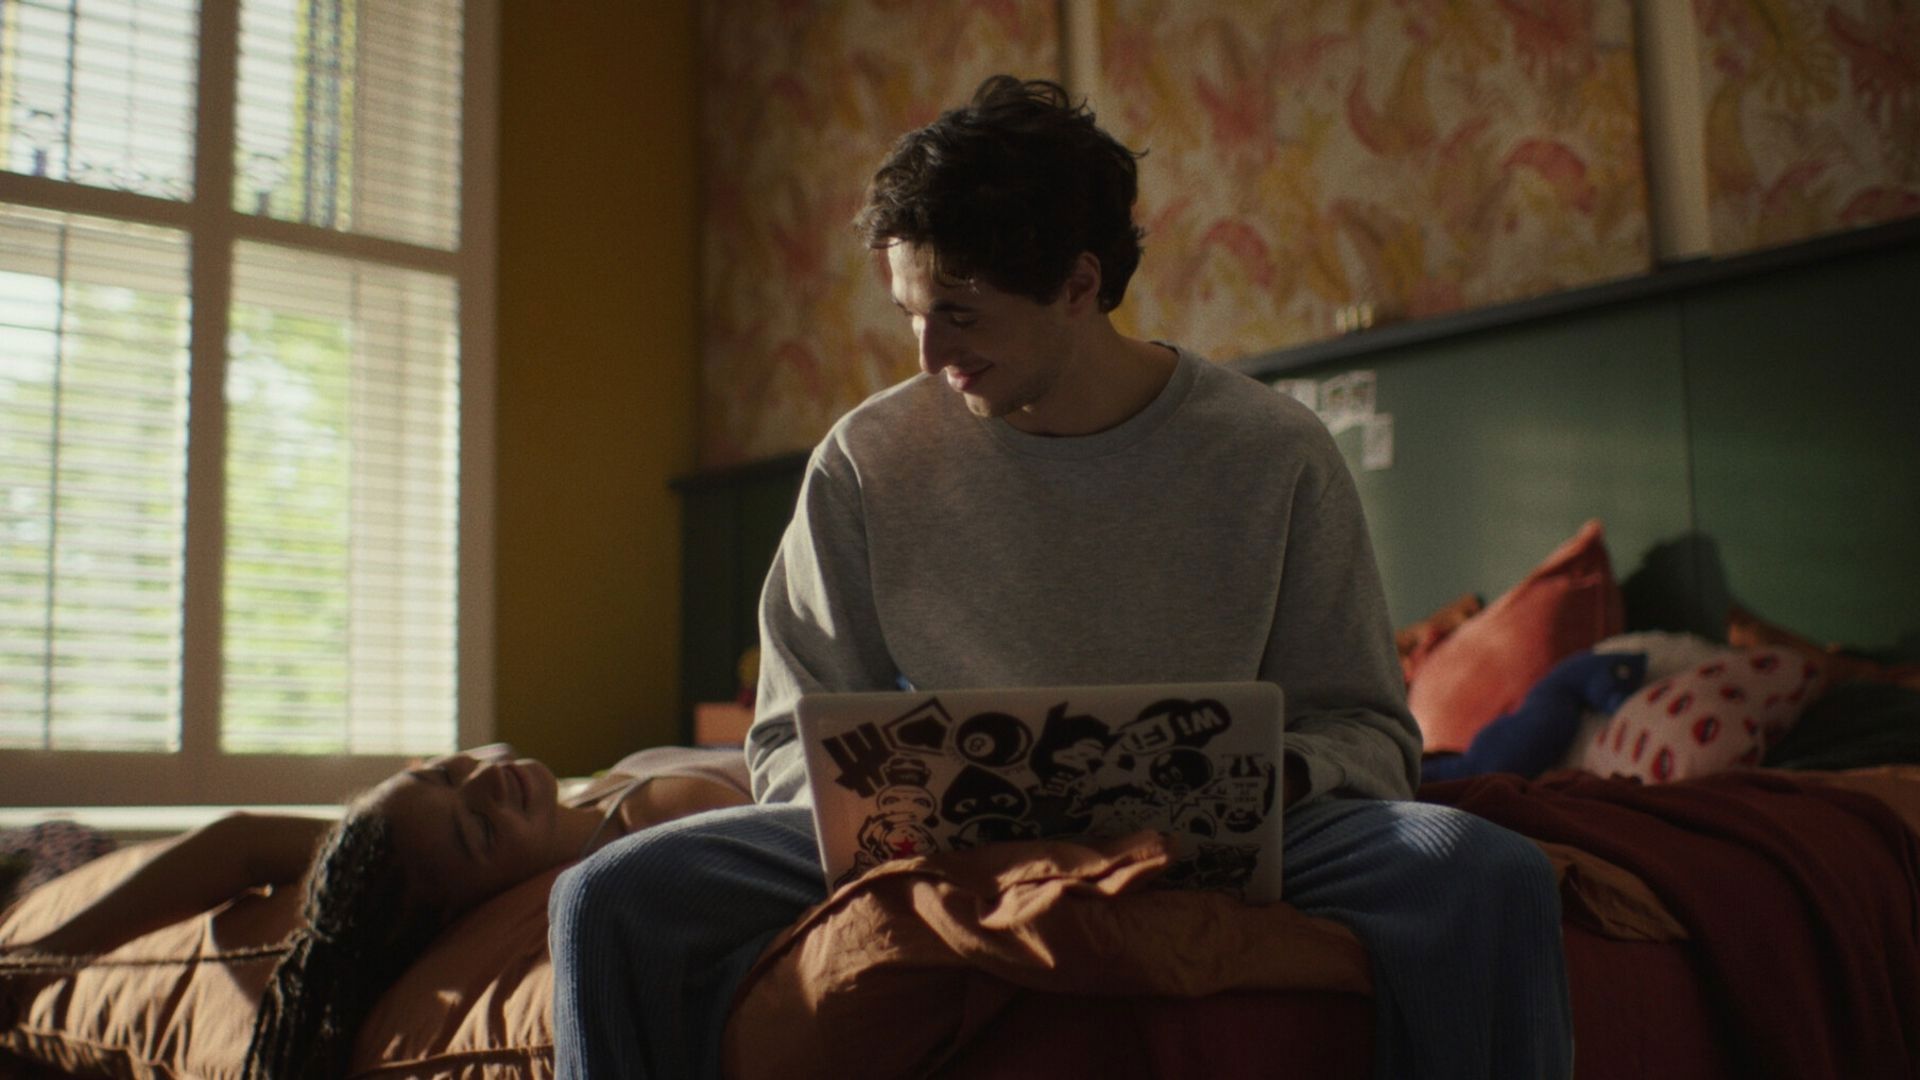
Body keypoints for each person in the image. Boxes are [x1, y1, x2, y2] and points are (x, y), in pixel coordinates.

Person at [549, 75, 1572, 1079]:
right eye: (909, 313)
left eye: (961, 314)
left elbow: (1370, 732)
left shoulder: (1274, 454)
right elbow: (784, 738)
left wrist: (1268, 780)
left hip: (1215, 837)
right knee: (607, 898)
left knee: (1485, 873)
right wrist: (893, 819)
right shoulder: (866, 461)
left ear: (1081, 286)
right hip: (936, 844)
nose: (928, 354)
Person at [1, 743, 750, 1080]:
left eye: (445, 773)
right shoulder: (660, 829)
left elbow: (243, 845)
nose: (487, 780)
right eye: (478, 830)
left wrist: (43, 955)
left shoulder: (420, 841)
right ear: (467, 909)